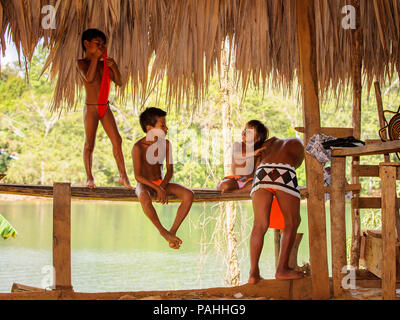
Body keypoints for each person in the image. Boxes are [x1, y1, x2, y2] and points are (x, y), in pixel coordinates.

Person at [77, 28, 132, 189]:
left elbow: (119, 82)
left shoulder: (104, 65)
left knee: (117, 140)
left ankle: (123, 177)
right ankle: (89, 178)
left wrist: (113, 67)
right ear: (87, 44)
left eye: (103, 44)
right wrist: (95, 58)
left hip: (104, 107)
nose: (101, 47)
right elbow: (89, 77)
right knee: (89, 144)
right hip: (91, 109)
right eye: (97, 44)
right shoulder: (81, 63)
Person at [132, 107, 194, 249]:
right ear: (150, 128)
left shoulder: (166, 144)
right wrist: (156, 188)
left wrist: (161, 187)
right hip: (145, 184)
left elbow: (170, 171)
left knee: (189, 195)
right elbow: (138, 176)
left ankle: (172, 232)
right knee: (144, 198)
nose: (166, 128)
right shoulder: (138, 147)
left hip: (161, 183)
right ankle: (163, 232)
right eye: (162, 125)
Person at [248, 135, 305, 284]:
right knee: (292, 222)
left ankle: (253, 273)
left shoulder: (271, 141)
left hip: (261, 173)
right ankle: (282, 269)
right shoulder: (301, 144)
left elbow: (257, 158)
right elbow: (297, 165)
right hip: (284, 171)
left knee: (259, 225)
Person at [217, 120, 268, 194]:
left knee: (257, 185)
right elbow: (237, 156)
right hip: (235, 179)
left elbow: (257, 169)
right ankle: (220, 184)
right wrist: (253, 153)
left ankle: (236, 192)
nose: (244, 133)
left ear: (257, 139)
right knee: (224, 186)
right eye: (244, 129)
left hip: (249, 181)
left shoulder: (258, 152)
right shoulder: (237, 145)